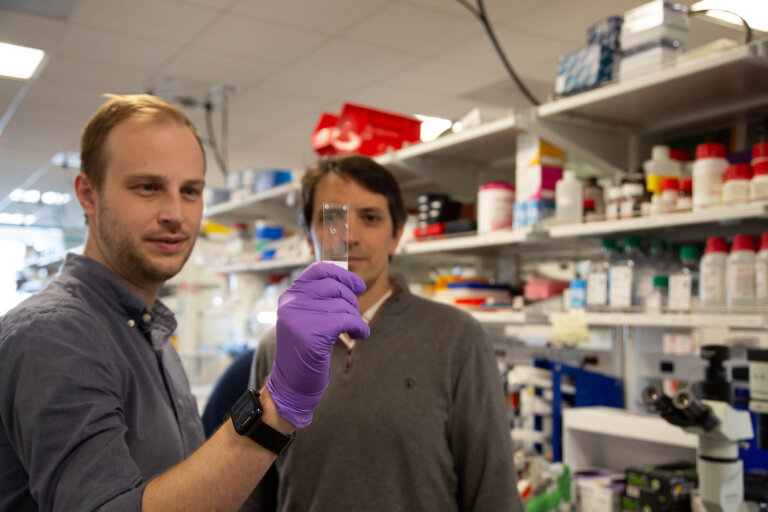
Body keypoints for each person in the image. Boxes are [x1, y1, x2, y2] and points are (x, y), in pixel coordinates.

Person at [0, 94, 369, 512]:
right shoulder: (54, 336)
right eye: (148, 187)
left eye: (190, 191)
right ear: (88, 193)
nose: (175, 213)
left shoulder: (147, 332)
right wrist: (277, 404)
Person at [244, 154, 523, 511]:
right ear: (308, 235)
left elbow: (494, 493)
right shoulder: (279, 345)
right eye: (334, 218)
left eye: (370, 218)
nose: (351, 235)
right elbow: (253, 494)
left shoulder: (457, 339)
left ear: (396, 236)